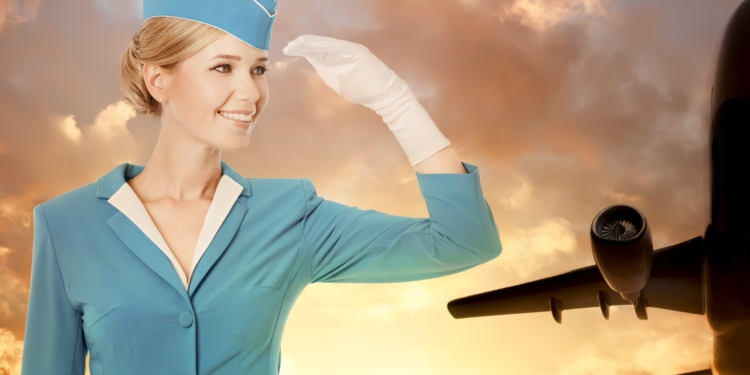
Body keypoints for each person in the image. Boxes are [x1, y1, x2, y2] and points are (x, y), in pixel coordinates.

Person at [20, 0, 503, 374]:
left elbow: (463, 241)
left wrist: (393, 100)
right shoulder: (67, 225)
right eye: (222, 67)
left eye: (257, 69)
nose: (251, 92)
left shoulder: (290, 214)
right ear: (158, 79)